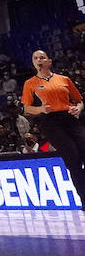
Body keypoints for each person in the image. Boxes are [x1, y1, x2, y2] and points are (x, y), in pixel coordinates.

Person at [20, 49, 85, 210]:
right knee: (73, 158)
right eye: (35, 58)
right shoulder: (30, 83)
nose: (39, 60)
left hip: (70, 118)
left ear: (49, 61)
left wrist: (78, 108)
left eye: (42, 57)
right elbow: (27, 109)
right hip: (50, 121)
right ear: (33, 63)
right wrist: (41, 109)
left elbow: (79, 100)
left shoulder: (64, 79)